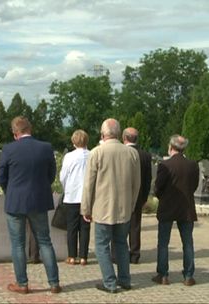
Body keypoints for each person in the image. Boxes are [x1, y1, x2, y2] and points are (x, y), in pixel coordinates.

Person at [0, 116, 61, 294]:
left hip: (15, 201)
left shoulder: (9, 149)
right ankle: (54, 283)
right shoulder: (46, 147)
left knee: (18, 244)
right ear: (30, 129)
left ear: (15, 133)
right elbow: (51, 174)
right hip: (39, 200)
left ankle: (22, 284)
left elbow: (1, 176)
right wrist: (41, 188)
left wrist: (10, 190)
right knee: (44, 241)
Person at [81, 118, 140, 293]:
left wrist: (85, 208)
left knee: (101, 245)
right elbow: (136, 184)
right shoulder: (132, 153)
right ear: (119, 133)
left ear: (102, 134)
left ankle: (109, 282)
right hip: (124, 209)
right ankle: (125, 280)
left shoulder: (97, 152)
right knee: (122, 243)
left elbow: (88, 184)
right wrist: (131, 205)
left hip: (102, 208)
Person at [152, 135, 199, 286]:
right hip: (186, 208)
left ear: (170, 147)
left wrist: (162, 197)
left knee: (163, 243)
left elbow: (158, 187)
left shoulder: (165, 165)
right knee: (188, 243)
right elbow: (194, 185)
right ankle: (188, 276)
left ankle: (163, 275)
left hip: (167, 206)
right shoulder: (192, 165)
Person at [111, 127, 152, 264]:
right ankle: (134, 254)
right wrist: (145, 197)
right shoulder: (145, 155)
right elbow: (148, 179)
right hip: (138, 195)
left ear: (124, 138)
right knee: (135, 226)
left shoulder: (119, 153)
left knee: (117, 225)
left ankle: (116, 254)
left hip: (119, 195)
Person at [59, 129, 91, 266]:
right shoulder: (92, 155)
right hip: (87, 197)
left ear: (73, 141)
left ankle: (72, 256)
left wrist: (66, 188)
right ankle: (83, 256)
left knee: (71, 227)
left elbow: (63, 176)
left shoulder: (69, 157)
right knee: (85, 227)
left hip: (72, 196)